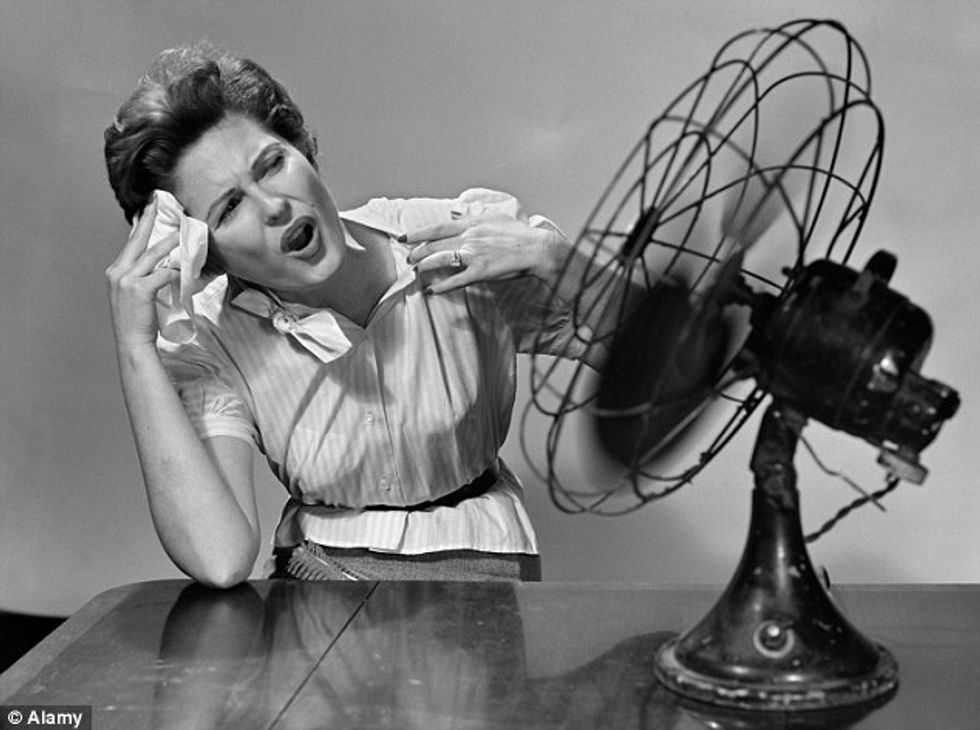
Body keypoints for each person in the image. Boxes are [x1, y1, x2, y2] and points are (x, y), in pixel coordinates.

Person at [104, 41, 622, 587]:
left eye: (273, 164)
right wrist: (135, 347)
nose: (273, 206)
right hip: (317, 586)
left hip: (484, 569)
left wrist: (556, 260)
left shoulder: (453, 236)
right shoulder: (211, 338)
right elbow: (221, 558)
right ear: (201, 252)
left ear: (301, 148)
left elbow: (662, 366)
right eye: (230, 207)